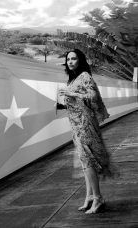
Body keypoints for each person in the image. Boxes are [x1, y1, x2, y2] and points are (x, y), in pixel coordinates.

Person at [58, 49, 112, 214]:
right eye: (68, 59)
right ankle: (89, 196)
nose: (70, 62)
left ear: (80, 60)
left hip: (85, 125)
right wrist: (65, 100)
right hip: (76, 125)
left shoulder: (85, 76)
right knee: (84, 161)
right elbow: (77, 100)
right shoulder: (72, 79)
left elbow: (93, 95)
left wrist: (71, 93)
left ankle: (98, 198)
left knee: (88, 161)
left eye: (74, 59)